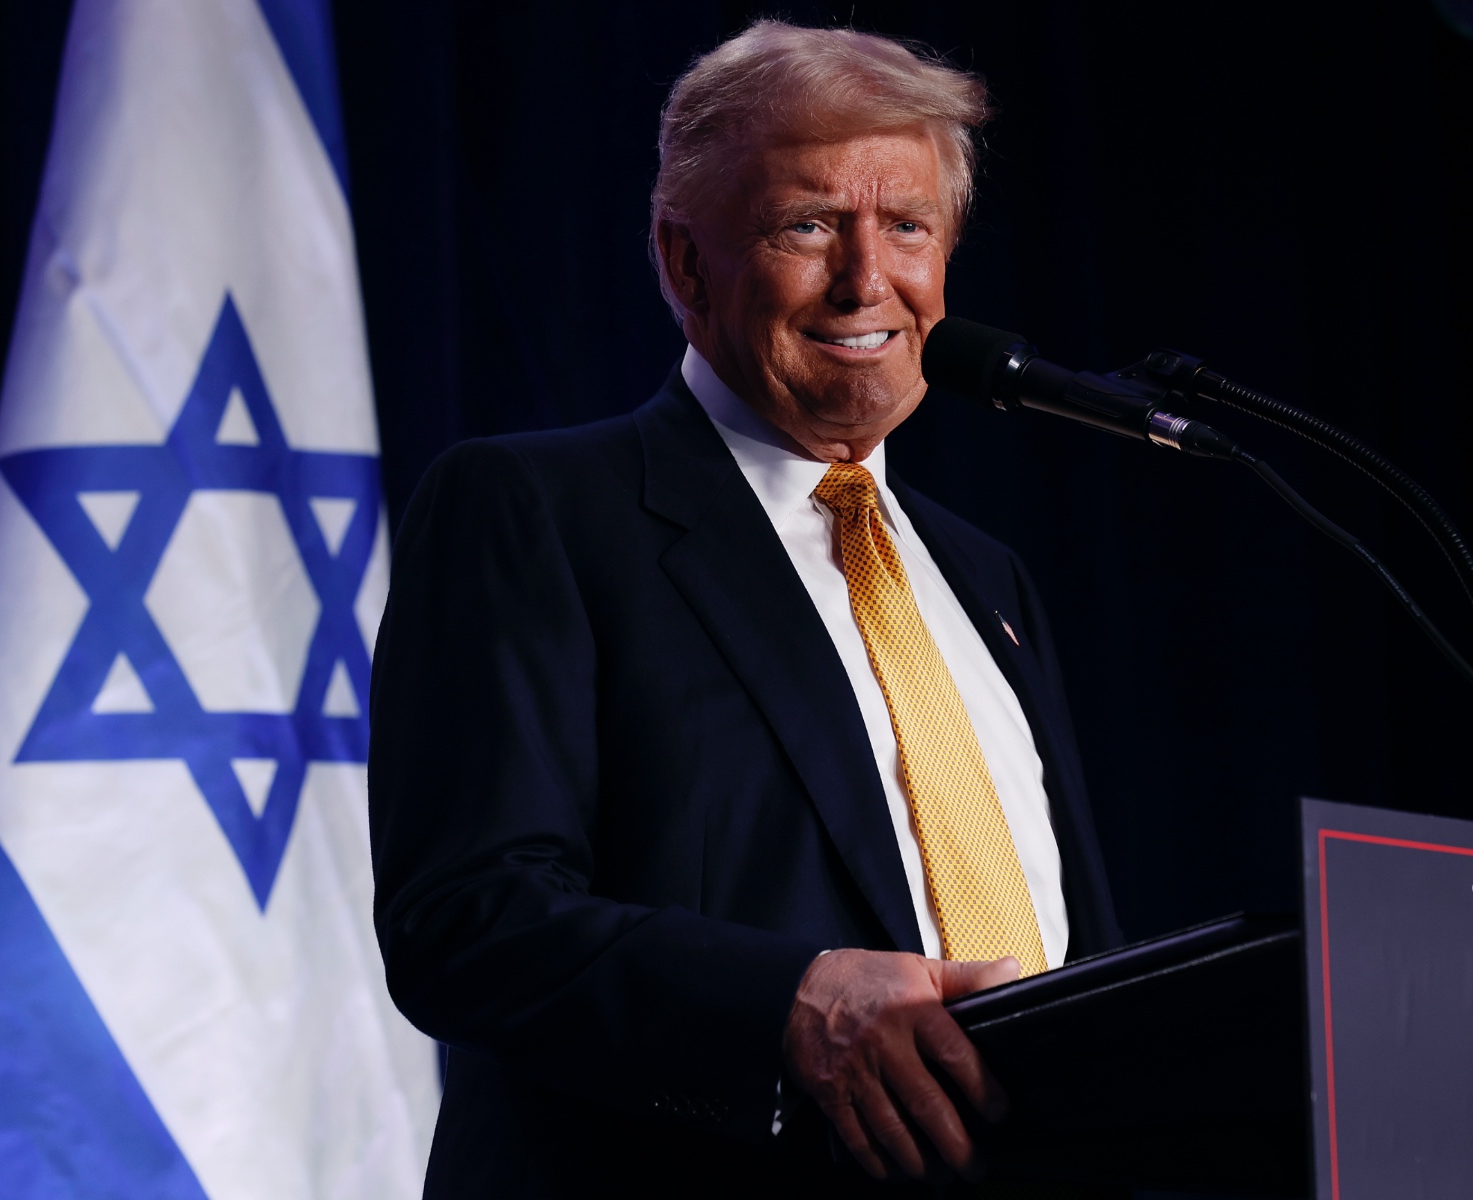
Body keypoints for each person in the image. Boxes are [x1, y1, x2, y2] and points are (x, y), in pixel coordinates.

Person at [368, 19, 1123, 1197]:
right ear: (684, 263)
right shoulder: (537, 512)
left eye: (909, 228)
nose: (868, 281)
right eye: (808, 225)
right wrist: (790, 1002)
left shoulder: (989, 579)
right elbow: (468, 923)